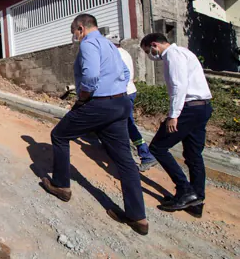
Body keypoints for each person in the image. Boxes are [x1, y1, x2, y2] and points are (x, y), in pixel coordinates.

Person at [41, 14, 148, 235]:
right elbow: (126, 73)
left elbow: (90, 76)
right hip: (120, 103)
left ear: (80, 28)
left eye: (74, 33)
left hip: (98, 104)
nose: (75, 37)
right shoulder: (110, 45)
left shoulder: (89, 44)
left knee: (59, 136)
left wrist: (82, 97)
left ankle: (61, 185)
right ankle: (138, 218)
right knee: (125, 160)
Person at [140, 33, 212, 217]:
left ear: (155, 45)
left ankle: (185, 190)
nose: (150, 55)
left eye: (149, 51)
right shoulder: (184, 52)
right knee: (193, 154)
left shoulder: (172, 55)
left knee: (157, 148)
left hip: (188, 108)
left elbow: (179, 87)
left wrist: (173, 115)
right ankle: (196, 200)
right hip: (202, 107)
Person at [107, 35, 158, 172]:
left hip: (123, 93)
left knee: (127, 125)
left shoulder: (114, 54)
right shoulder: (125, 53)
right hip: (130, 90)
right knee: (121, 123)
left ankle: (145, 155)